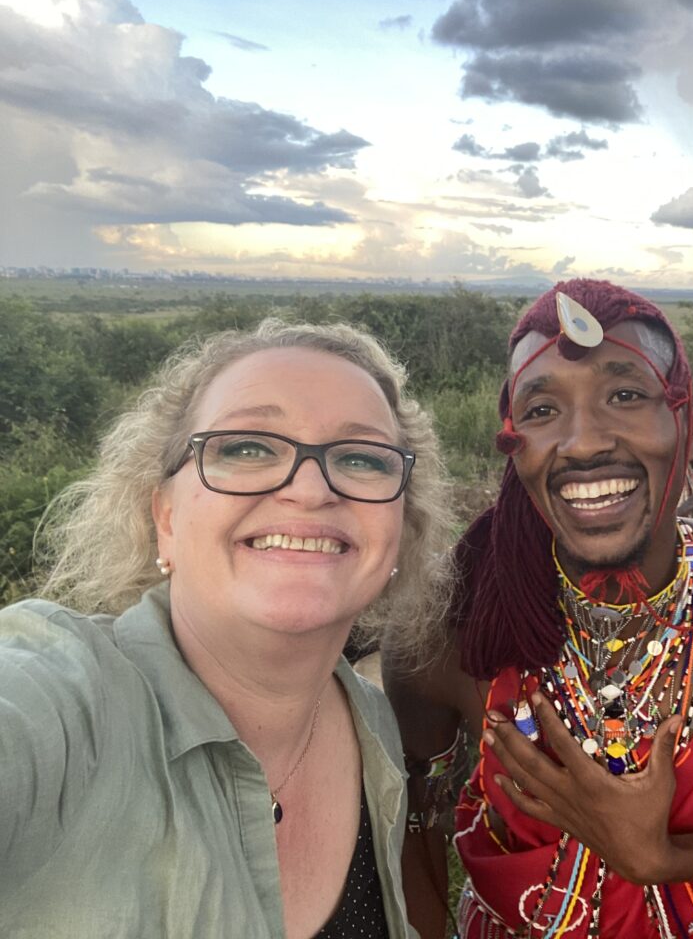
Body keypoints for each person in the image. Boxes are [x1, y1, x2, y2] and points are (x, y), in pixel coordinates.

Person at [382, 279, 693, 939]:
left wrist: (661, 859)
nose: (582, 443)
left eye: (626, 395)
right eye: (542, 409)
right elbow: (412, 823)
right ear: (512, 442)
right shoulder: (452, 618)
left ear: (691, 427)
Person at [0, 319, 455, 938]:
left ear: (401, 528)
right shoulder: (65, 700)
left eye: (359, 457)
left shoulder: (372, 724)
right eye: (246, 447)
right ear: (164, 518)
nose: (310, 488)